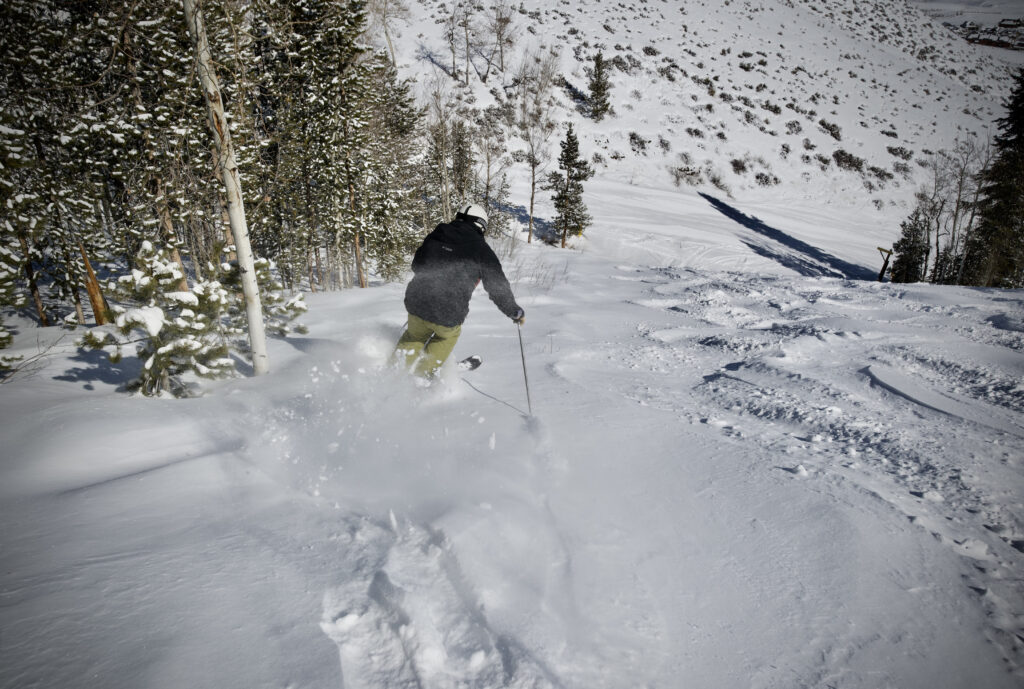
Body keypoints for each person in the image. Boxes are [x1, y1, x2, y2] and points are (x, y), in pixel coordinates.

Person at [394, 203, 524, 378]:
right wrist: (513, 310)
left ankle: (393, 374)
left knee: (414, 336)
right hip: (448, 312)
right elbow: (496, 285)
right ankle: (422, 376)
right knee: (444, 337)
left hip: (417, 302)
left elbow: (417, 264)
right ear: (481, 225)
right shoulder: (481, 250)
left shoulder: (436, 235)